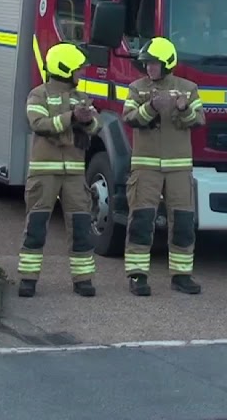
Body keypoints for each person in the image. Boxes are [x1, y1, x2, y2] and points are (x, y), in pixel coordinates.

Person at [16, 43, 102, 298]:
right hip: (44, 172)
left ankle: (83, 280)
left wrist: (88, 120)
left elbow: (95, 127)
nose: (81, 73)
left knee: (81, 226)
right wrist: (71, 118)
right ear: (64, 69)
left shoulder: (80, 97)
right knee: (36, 226)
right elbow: (38, 124)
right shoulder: (38, 95)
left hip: (74, 174)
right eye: (78, 69)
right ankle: (28, 280)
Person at [121, 37, 205, 296]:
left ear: (167, 64)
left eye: (154, 64)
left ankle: (181, 276)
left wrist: (183, 108)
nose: (149, 68)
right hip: (145, 167)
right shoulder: (136, 88)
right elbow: (129, 118)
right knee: (141, 220)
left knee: (183, 222)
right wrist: (151, 107)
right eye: (147, 63)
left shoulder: (188, 89)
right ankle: (137, 276)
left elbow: (198, 120)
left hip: (179, 168)